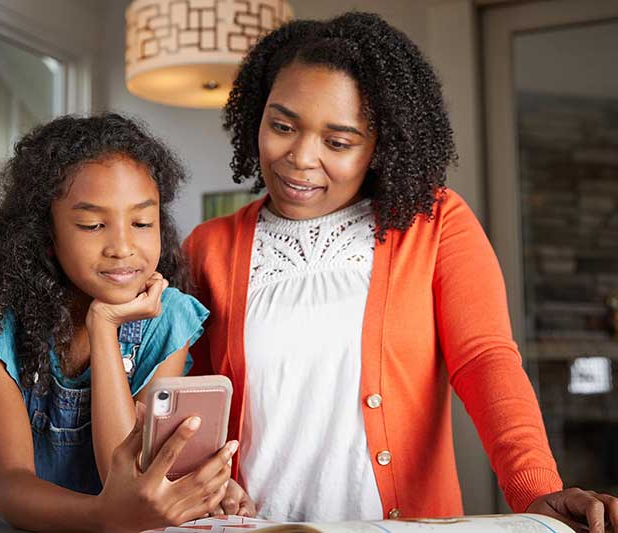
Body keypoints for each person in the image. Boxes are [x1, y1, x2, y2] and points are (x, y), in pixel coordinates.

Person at [183, 11, 618, 531]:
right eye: (282, 126)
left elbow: (485, 361)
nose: (300, 157)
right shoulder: (208, 247)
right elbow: (188, 402)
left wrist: (537, 488)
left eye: (338, 142)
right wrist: (203, 481)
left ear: (380, 147)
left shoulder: (435, 224)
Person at [0, 113, 238, 532]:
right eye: (93, 225)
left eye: (142, 222)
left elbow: (123, 472)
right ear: (48, 237)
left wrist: (104, 327)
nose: (123, 247)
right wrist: (108, 515)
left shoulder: (170, 317)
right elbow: (12, 487)